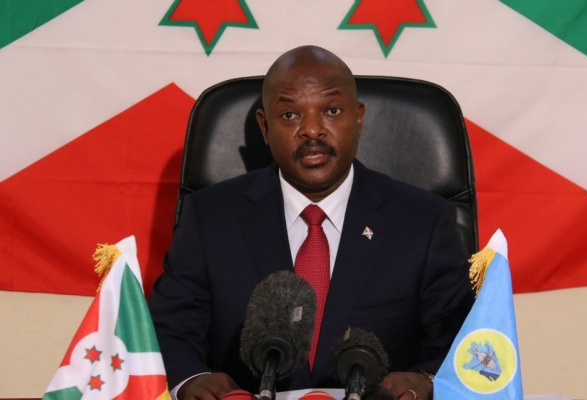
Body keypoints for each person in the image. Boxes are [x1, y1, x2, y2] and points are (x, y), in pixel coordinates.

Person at [149, 45, 474, 400]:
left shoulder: (423, 221)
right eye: (290, 115)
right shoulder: (210, 216)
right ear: (265, 127)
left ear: (358, 117)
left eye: (332, 111)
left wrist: (427, 379)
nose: (313, 130)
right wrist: (190, 378)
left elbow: (460, 337)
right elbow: (171, 327)